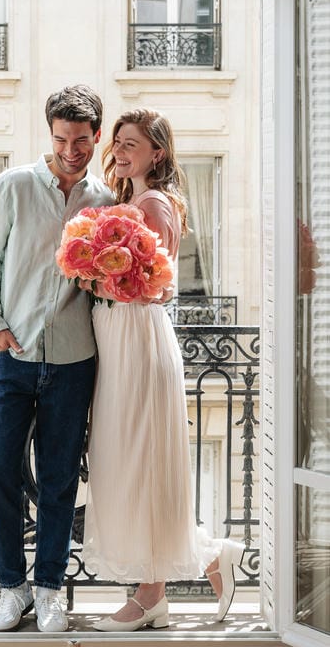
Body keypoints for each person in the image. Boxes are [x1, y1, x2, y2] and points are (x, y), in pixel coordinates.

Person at [81, 108, 245, 632]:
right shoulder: (133, 199)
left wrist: (92, 277)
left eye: (133, 144)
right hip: (121, 339)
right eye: (119, 143)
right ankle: (208, 559)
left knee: (139, 463)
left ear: (158, 153)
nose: (121, 151)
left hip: (136, 338)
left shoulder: (150, 203)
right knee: (128, 461)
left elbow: (156, 284)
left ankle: (151, 595)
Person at [0, 85, 113, 633]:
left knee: (58, 481)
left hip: (76, 360)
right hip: (11, 355)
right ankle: (12, 588)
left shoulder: (104, 202)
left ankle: (50, 588)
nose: (71, 150)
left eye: (81, 140)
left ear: (96, 136)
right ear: (48, 134)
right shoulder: (13, 186)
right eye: (60, 139)